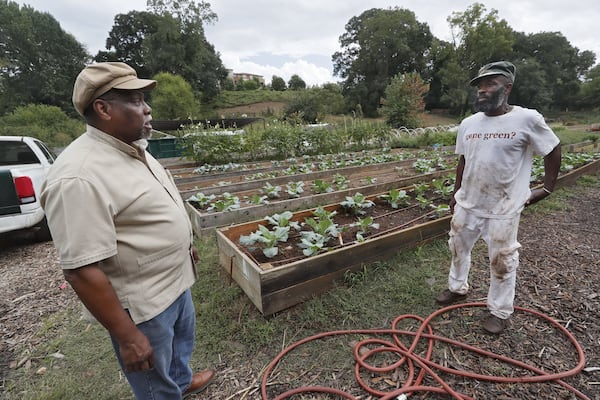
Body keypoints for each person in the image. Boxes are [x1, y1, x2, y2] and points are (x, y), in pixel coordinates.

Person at [40, 62, 215, 399]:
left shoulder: (133, 148)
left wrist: (184, 244)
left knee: (178, 349)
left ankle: (180, 382)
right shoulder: (79, 176)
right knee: (153, 380)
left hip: (174, 282)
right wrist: (129, 337)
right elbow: (81, 270)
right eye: (135, 100)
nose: (147, 108)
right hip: (143, 306)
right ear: (103, 109)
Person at [434, 61, 562, 334]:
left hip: (503, 206)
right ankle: (457, 288)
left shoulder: (527, 119)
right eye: (480, 85)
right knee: (457, 248)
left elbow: (553, 149)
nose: (482, 90)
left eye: (490, 84)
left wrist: (547, 187)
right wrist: (456, 194)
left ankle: (499, 311)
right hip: (468, 203)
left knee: (502, 259)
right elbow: (463, 161)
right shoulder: (469, 123)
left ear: (507, 87)